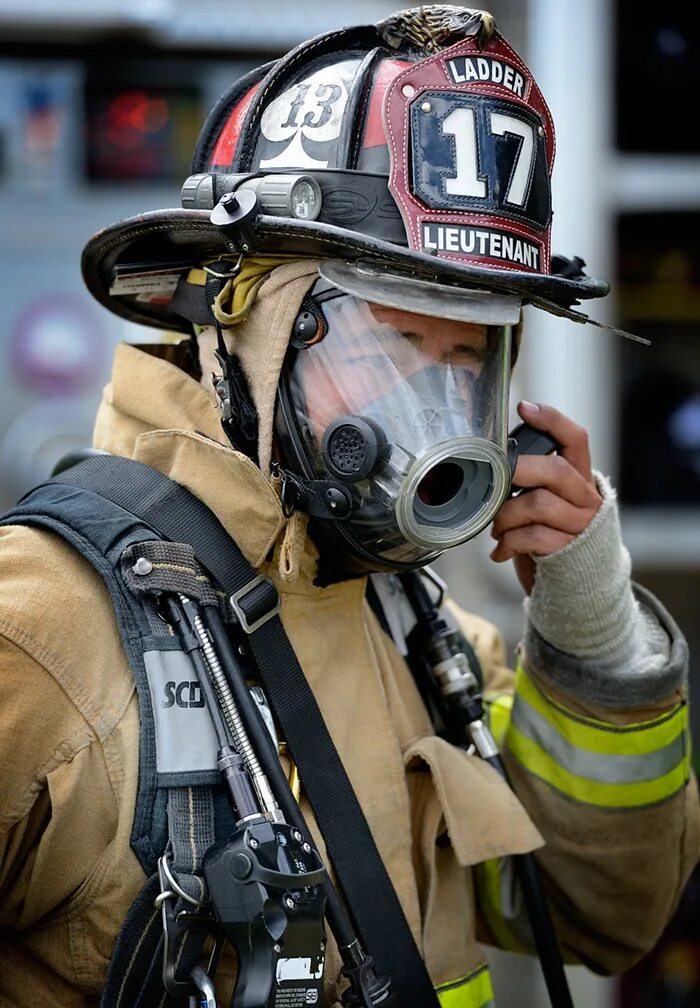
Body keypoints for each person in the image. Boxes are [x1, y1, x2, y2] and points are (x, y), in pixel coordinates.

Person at [1, 6, 698, 1008]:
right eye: (387, 346)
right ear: (237, 324)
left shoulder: (423, 632)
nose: (434, 410)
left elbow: (604, 915)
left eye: (464, 356)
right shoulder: (35, 632)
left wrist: (589, 621)